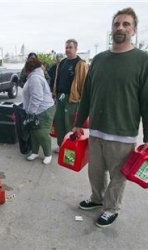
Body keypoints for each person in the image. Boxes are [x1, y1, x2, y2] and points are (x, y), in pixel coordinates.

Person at [73, 7, 148, 228]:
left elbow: (146, 100)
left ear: (134, 30)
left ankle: (111, 207)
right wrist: (79, 122)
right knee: (95, 171)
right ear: (111, 29)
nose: (120, 28)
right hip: (96, 130)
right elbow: (87, 93)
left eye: (126, 24)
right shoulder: (99, 59)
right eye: (117, 24)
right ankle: (97, 199)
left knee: (118, 175)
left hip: (123, 131)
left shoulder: (142, 60)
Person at [53, 39, 88, 152]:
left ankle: (70, 148)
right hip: (60, 97)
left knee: (70, 125)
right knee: (59, 122)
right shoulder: (62, 62)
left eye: (70, 47)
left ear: (76, 49)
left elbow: (84, 84)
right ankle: (61, 146)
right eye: (66, 47)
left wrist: (83, 102)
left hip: (72, 99)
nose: (67, 49)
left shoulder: (80, 64)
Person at [22, 57, 55, 164]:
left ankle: (48, 154)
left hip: (44, 110)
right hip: (37, 110)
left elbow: (37, 98)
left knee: (42, 132)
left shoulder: (35, 78)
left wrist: (30, 112)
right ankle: (35, 152)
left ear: (28, 69)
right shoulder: (34, 77)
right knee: (34, 131)